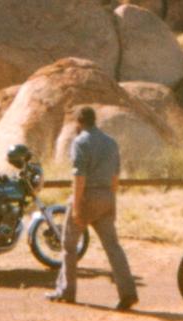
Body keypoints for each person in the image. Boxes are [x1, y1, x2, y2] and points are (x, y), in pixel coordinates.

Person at [46, 107, 138, 310]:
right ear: (94, 121)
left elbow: (79, 178)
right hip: (106, 196)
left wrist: (77, 206)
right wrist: (111, 200)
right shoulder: (111, 143)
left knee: (69, 245)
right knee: (113, 247)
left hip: (87, 196)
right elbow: (115, 176)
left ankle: (66, 291)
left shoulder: (80, 142)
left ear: (79, 123)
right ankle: (128, 292)